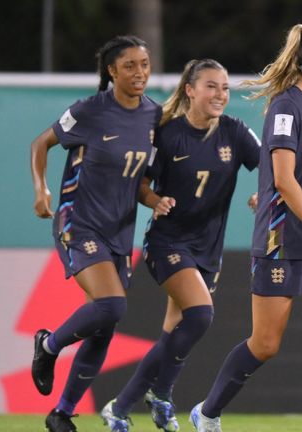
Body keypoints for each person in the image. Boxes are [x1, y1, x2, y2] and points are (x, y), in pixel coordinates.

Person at [189, 24, 302, 432]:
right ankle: (207, 413)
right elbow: (284, 179)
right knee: (265, 344)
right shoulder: (287, 107)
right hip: (283, 239)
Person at [97, 59, 261, 432]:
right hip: (168, 242)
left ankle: (154, 397)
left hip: (208, 248)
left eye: (225, 88)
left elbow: (271, 163)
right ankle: (124, 405)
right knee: (201, 314)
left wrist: (260, 193)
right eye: (210, 86)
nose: (220, 95)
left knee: (175, 332)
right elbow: (138, 183)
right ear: (189, 90)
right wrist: (154, 200)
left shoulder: (235, 133)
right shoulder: (167, 134)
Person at [29, 35, 161, 432]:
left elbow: (141, 183)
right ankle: (48, 345)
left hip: (119, 231)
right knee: (111, 305)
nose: (140, 73)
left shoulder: (155, 117)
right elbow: (41, 143)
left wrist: (157, 200)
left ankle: (62, 414)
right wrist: (42, 188)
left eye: (144, 64)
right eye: (130, 66)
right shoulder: (90, 111)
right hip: (78, 220)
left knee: (104, 327)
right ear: (112, 72)